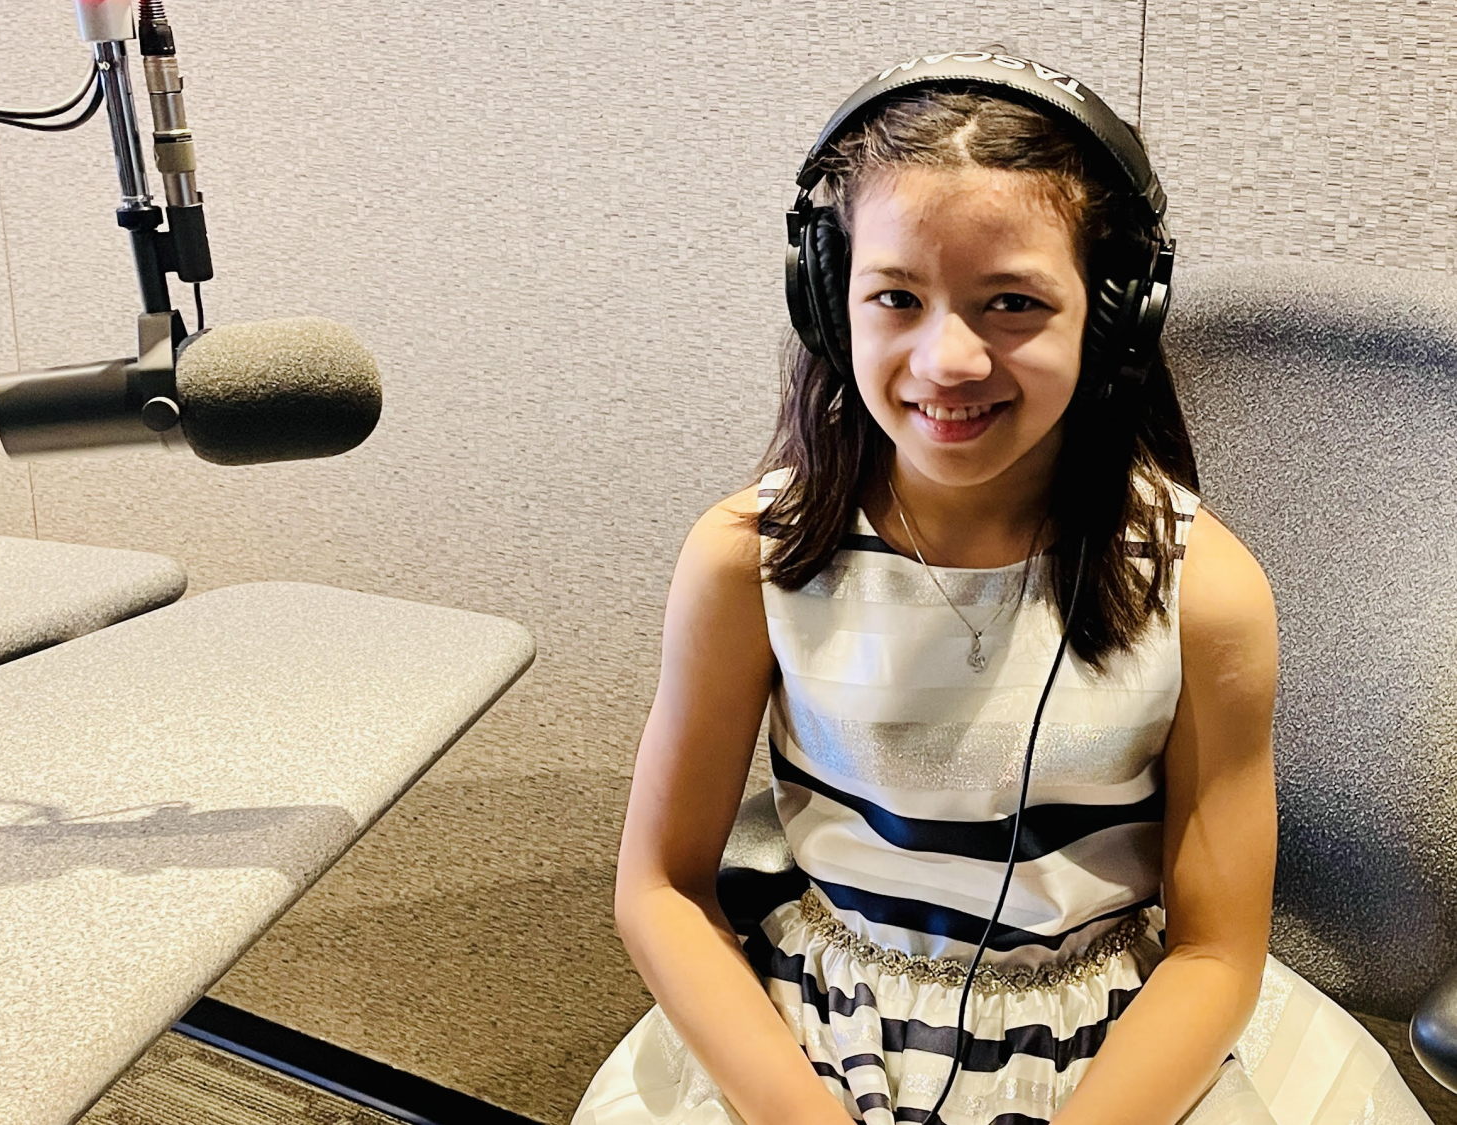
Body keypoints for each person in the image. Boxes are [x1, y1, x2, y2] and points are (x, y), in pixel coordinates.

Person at [572, 52, 1433, 1125]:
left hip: (1115, 1046)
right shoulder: (749, 557)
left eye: (1012, 303)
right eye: (896, 297)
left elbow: (1216, 949)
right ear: (828, 300)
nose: (949, 360)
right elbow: (658, 890)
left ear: (1114, 316)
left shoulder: (1203, 590)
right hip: (813, 1036)